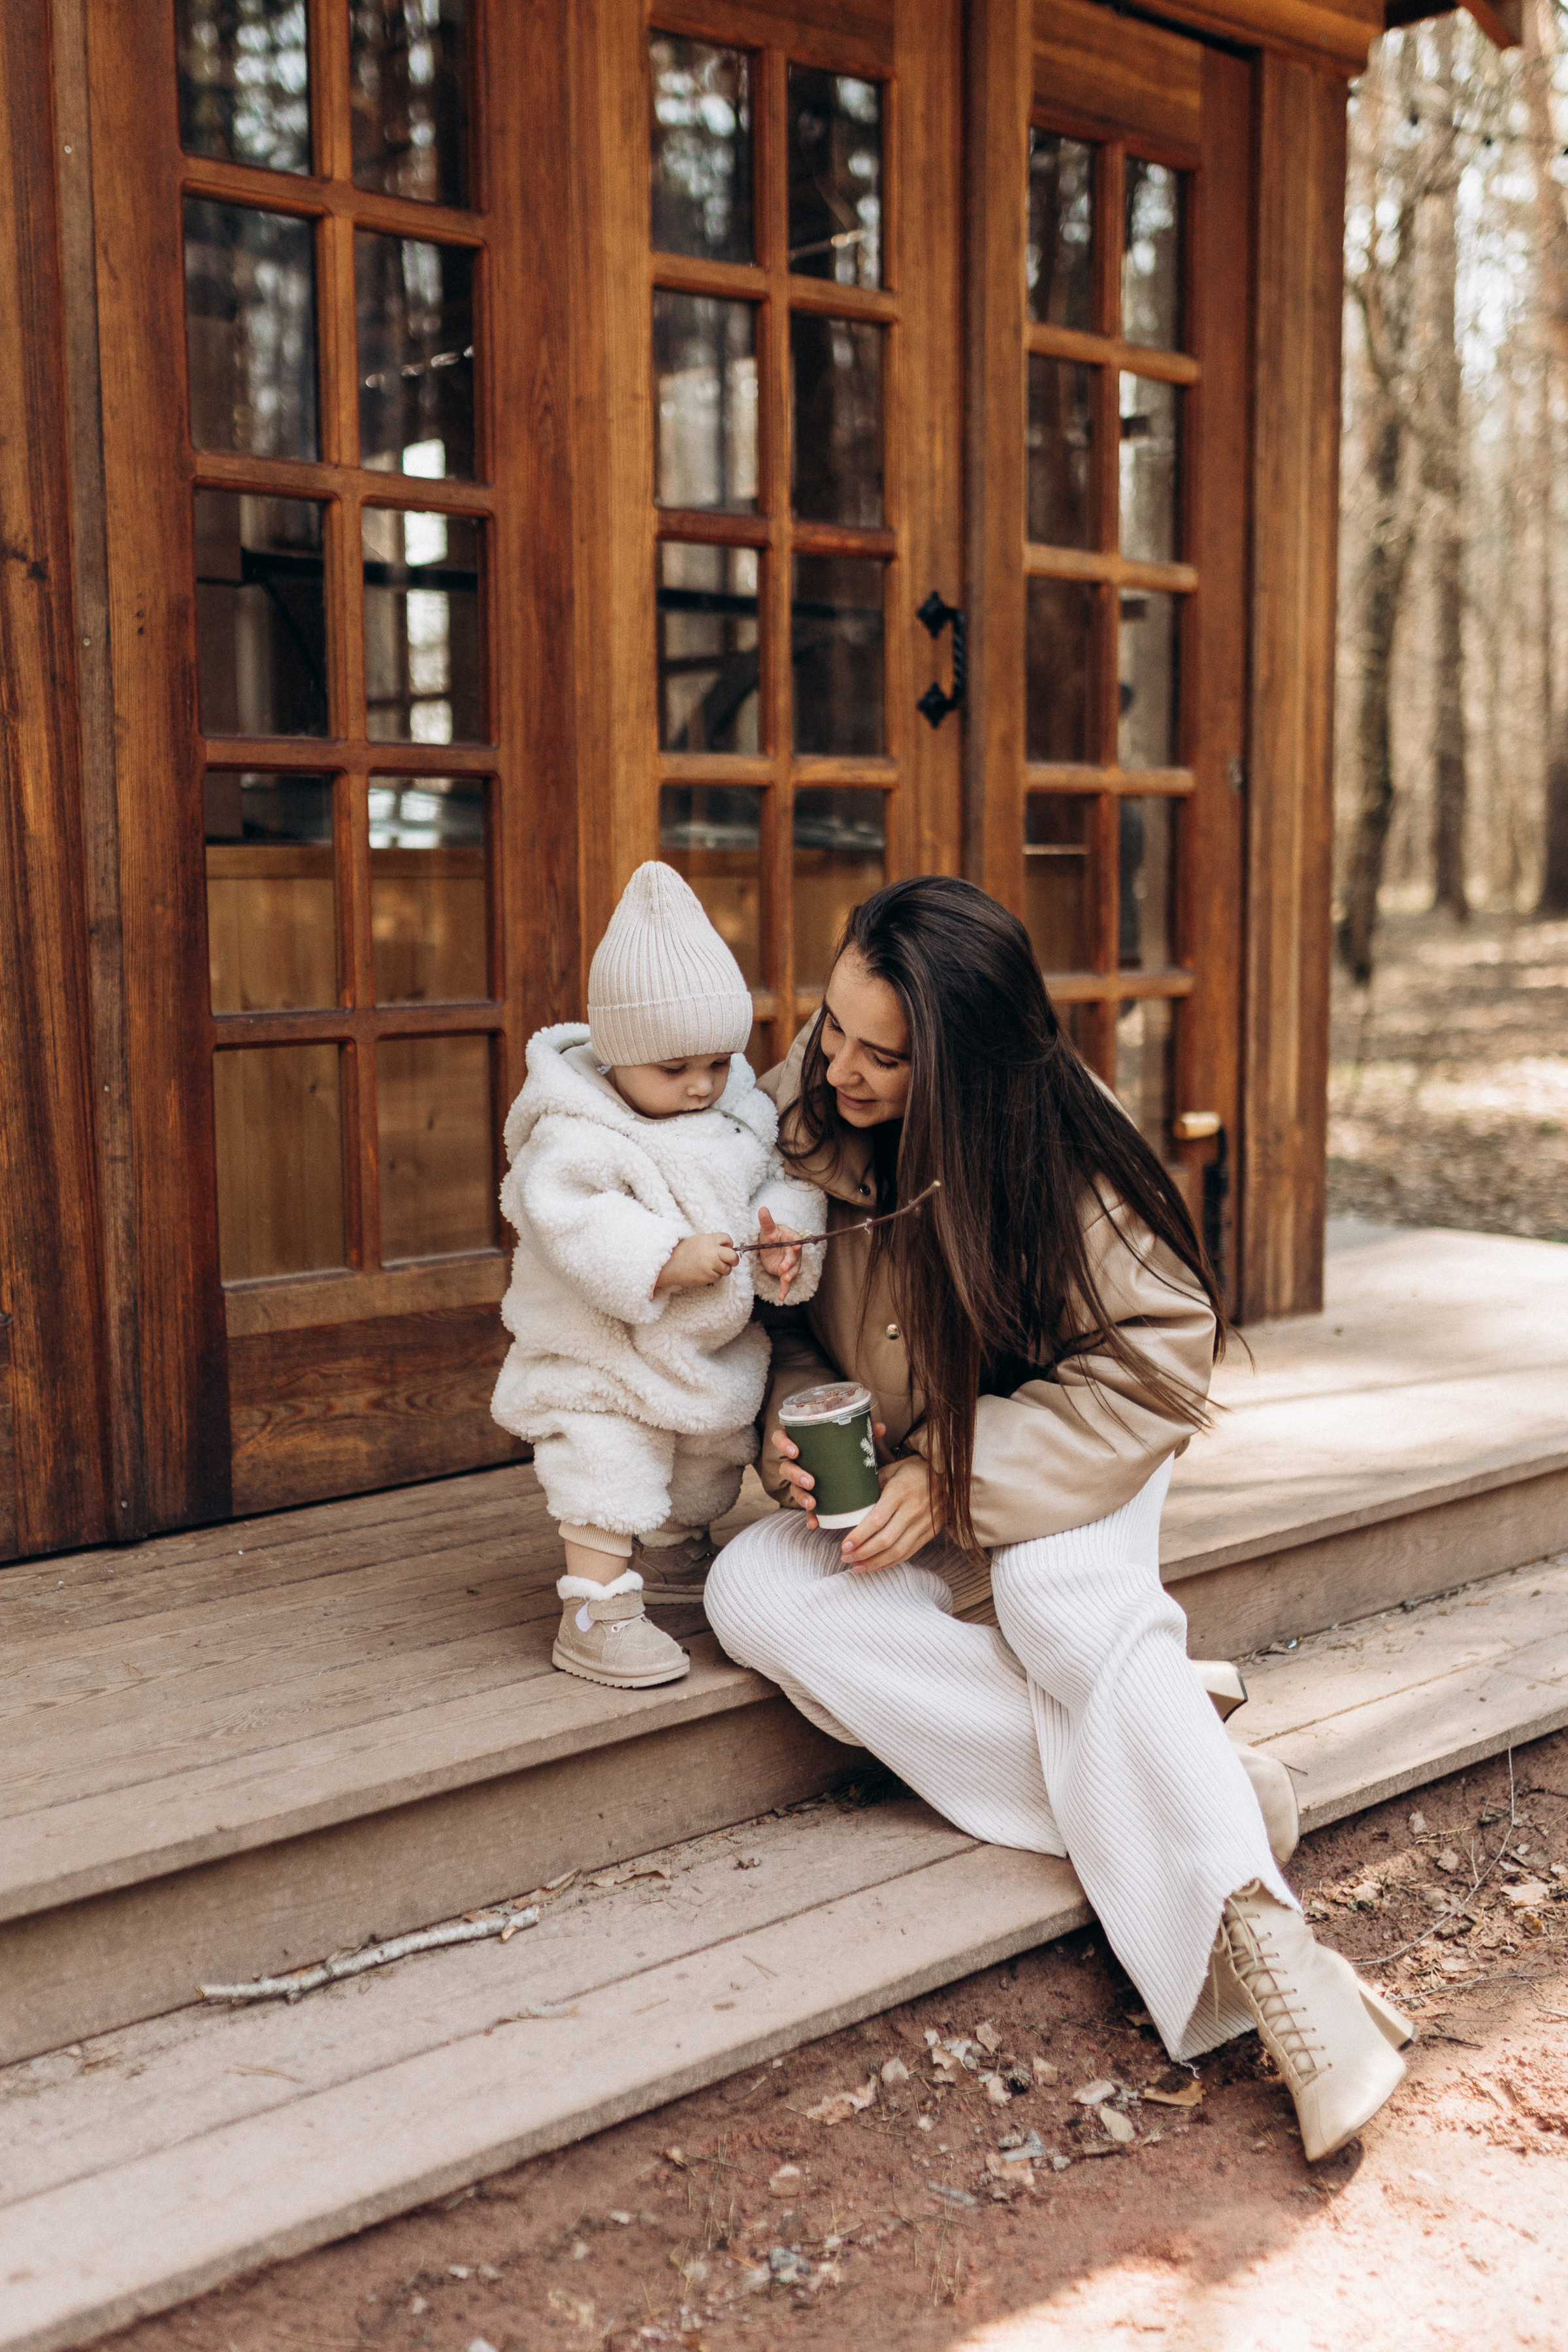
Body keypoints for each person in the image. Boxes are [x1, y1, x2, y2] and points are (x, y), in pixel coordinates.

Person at [706, 876, 1410, 2164]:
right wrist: (795, 1428)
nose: (837, 1068)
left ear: (963, 1064)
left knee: (1055, 1605)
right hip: (905, 1462)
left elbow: (1153, 1359)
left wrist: (960, 1477)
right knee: (751, 1588)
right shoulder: (808, 1106)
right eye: (831, 1025)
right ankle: (1193, 1778)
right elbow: (791, 1324)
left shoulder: (1060, 1147)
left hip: (1070, 1443)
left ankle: (1276, 1953)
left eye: (883, 1055)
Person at [493, 862, 823, 1691]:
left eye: (717, 1061)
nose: (701, 1085)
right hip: (599, 1355)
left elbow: (777, 1181)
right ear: (616, 1054)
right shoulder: (576, 1132)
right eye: (674, 1069)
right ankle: (594, 1611)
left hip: (697, 1351)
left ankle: (675, 1553)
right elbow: (571, 1221)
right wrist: (664, 1259)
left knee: (699, 1465)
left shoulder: (735, 1113)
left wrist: (783, 1237)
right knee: (609, 1467)